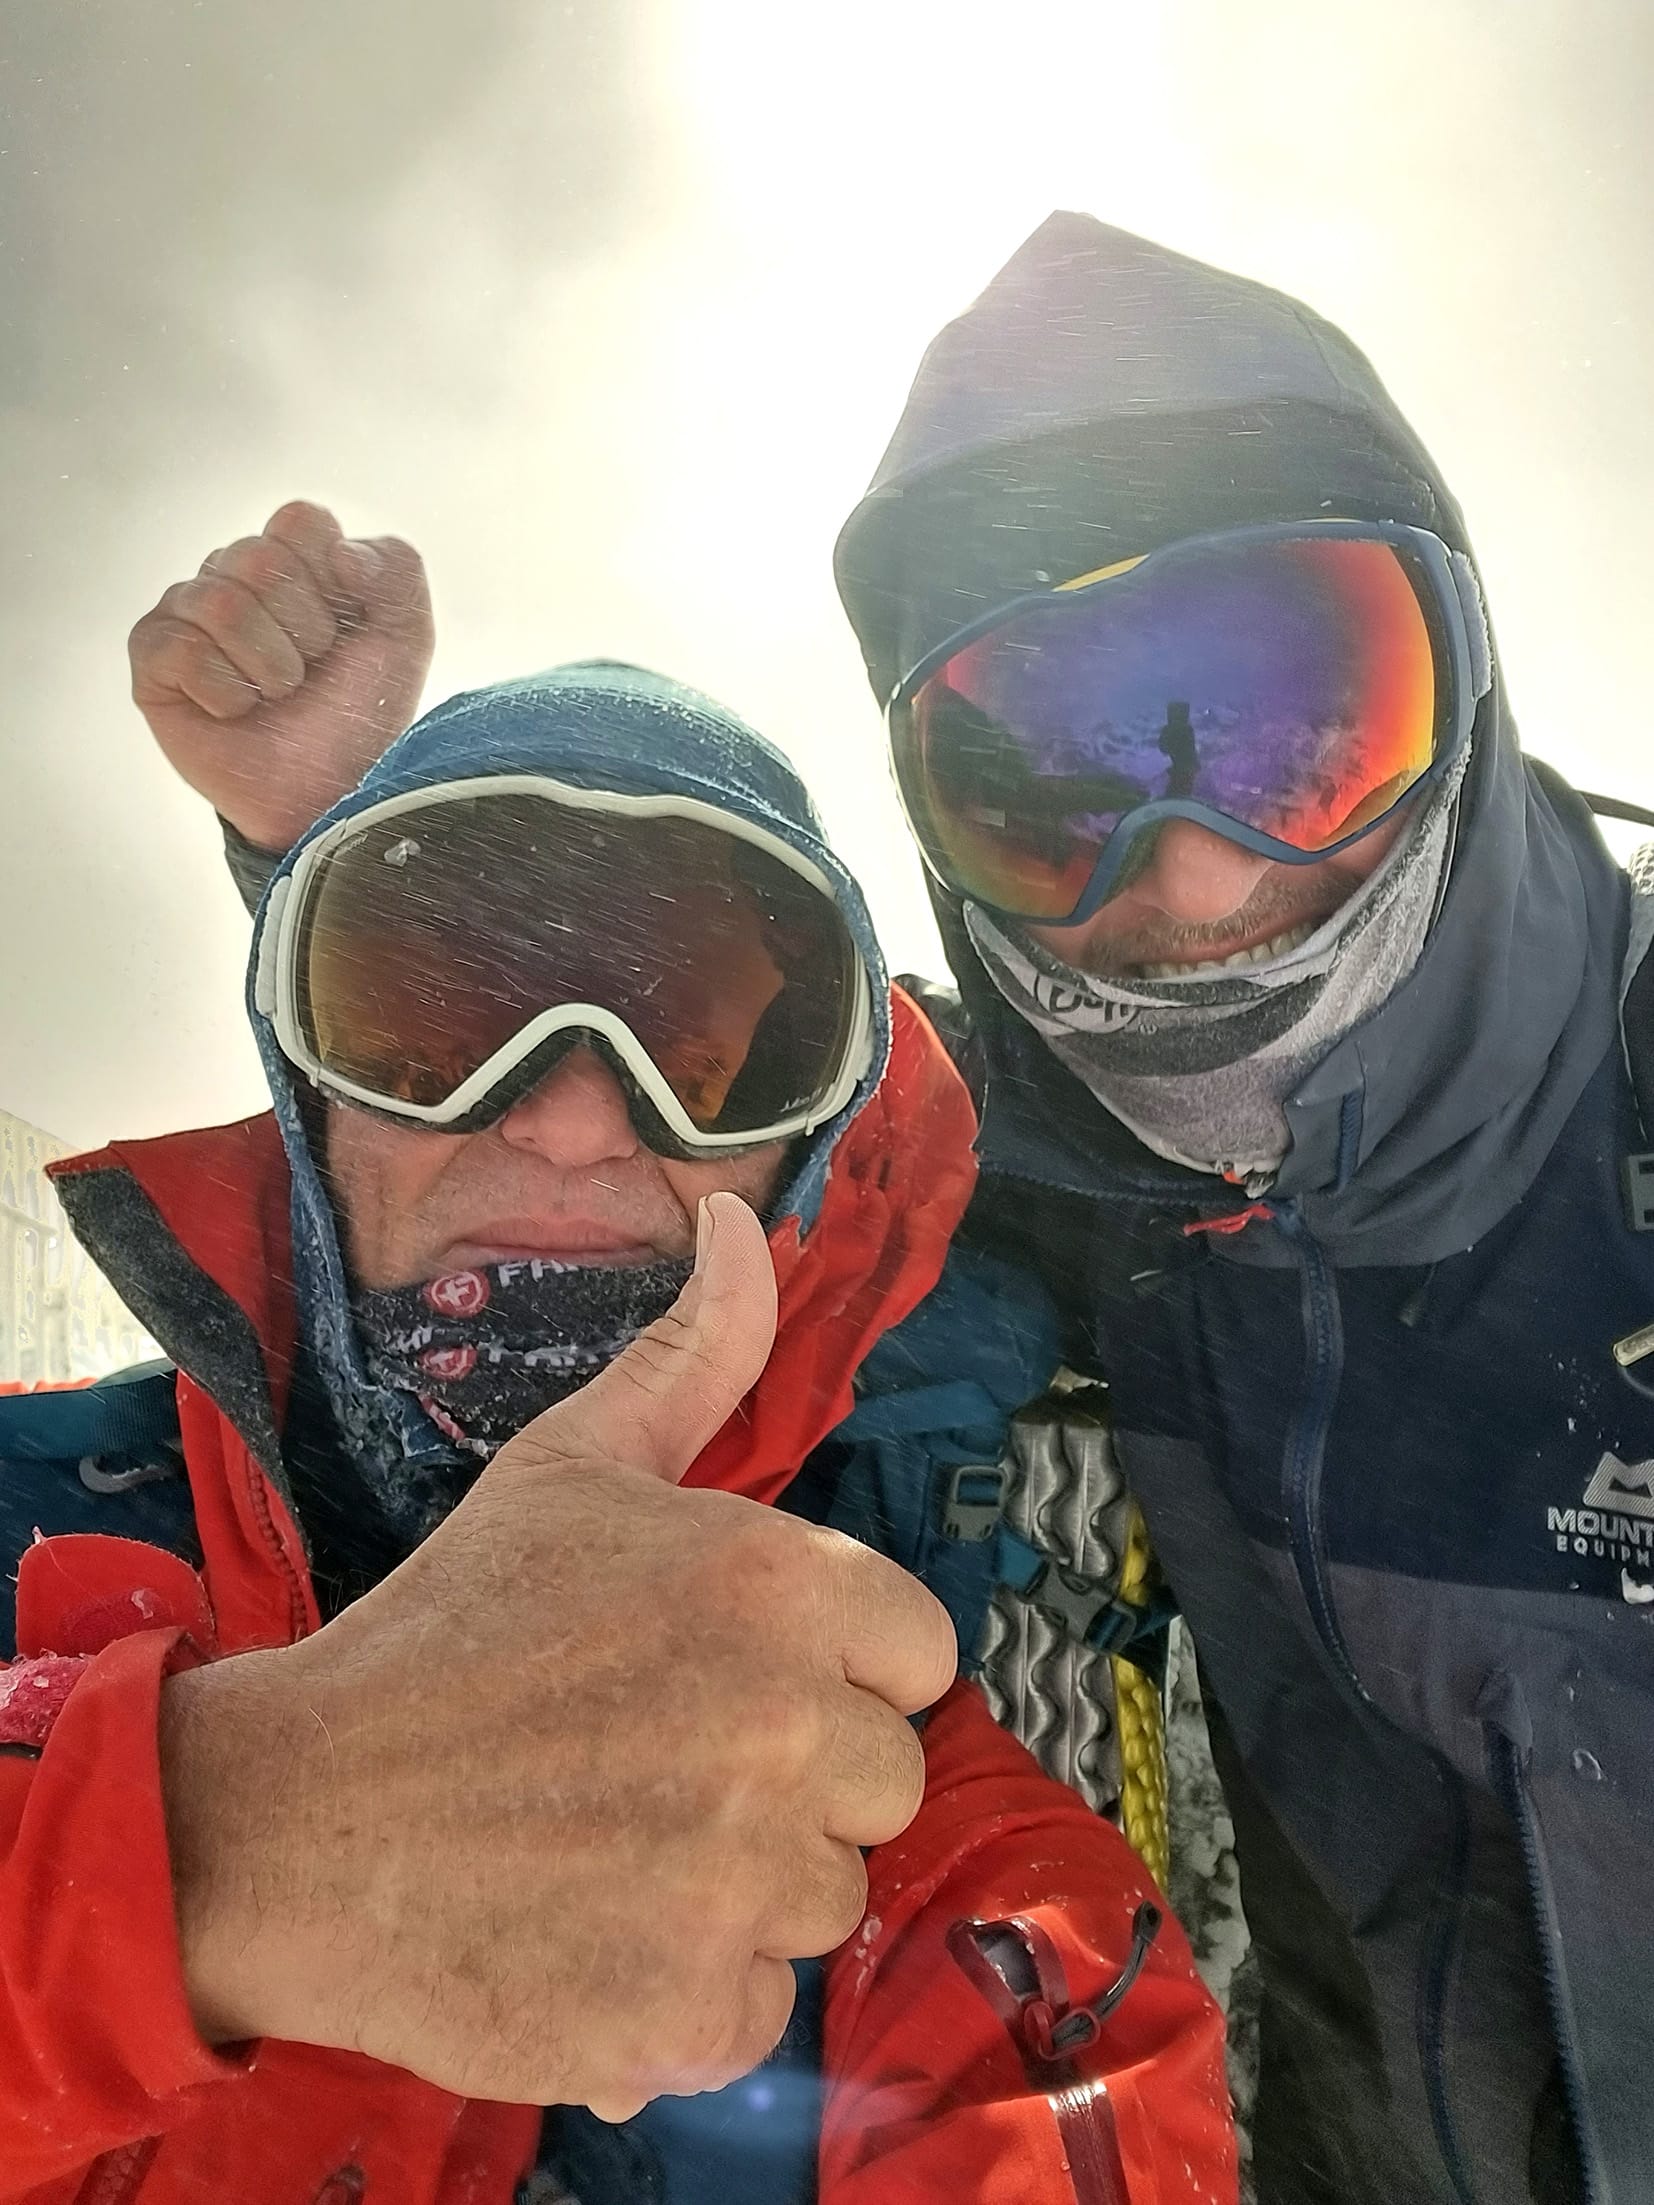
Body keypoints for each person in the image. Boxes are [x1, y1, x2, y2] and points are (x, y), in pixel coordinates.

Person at [0, 519, 1235, 2204]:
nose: (577, 1120)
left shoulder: (922, 1823)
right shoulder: (26, 1523)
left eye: (707, 1048)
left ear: (803, 1158)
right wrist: (204, 1853)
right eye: (439, 1025)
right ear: (309, 1096)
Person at [832, 209, 1654, 2205]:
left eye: (1293, 731)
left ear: (1460, 687)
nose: (1190, 882)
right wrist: (361, 857)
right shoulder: (1042, 1156)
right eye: (1041, 783)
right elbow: (657, 1096)